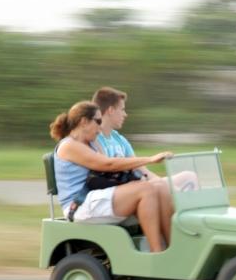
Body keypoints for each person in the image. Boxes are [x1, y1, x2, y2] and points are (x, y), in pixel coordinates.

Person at [49, 100, 172, 253]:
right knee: (146, 190)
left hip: (94, 197)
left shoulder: (92, 143)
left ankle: (172, 247)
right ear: (84, 122)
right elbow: (108, 165)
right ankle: (158, 252)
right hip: (79, 205)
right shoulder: (69, 145)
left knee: (158, 188)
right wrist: (150, 159)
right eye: (98, 121)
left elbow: (111, 169)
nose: (100, 128)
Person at [92, 87, 198, 244]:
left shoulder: (119, 140)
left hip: (138, 184)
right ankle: (175, 241)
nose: (125, 114)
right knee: (159, 188)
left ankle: (191, 226)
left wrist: (162, 184)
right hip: (119, 193)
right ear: (111, 110)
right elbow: (106, 168)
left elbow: (143, 171)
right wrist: (161, 187)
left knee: (189, 177)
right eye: (122, 110)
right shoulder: (94, 138)